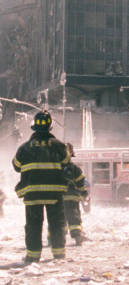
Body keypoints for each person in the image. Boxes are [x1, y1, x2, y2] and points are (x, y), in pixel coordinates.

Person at [12, 110, 70, 263]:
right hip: (54, 193)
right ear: (50, 128)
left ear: (34, 128)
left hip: (32, 193)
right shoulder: (59, 145)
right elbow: (66, 162)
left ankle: (33, 255)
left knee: (33, 224)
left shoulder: (24, 148)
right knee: (57, 223)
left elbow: (16, 166)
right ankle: (58, 254)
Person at [63, 143, 88, 246]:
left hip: (58, 197)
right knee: (74, 216)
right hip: (72, 197)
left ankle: (54, 238)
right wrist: (83, 193)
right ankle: (77, 236)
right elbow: (80, 182)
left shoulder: (54, 168)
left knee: (57, 218)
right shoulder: (75, 168)